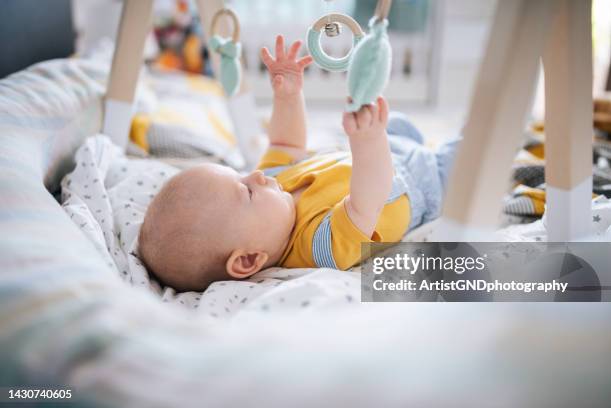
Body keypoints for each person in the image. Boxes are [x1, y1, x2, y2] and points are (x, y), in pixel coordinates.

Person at [138, 35, 459, 292]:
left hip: (388, 147)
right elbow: (368, 200)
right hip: (423, 182)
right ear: (248, 260)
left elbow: (285, 143)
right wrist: (369, 140)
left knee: (395, 123)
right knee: (469, 155)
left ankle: (403, 136)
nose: (257, 176)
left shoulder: (275, 186)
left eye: (242, 175)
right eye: (247, 192)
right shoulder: (319, 247)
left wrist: (288, 96)